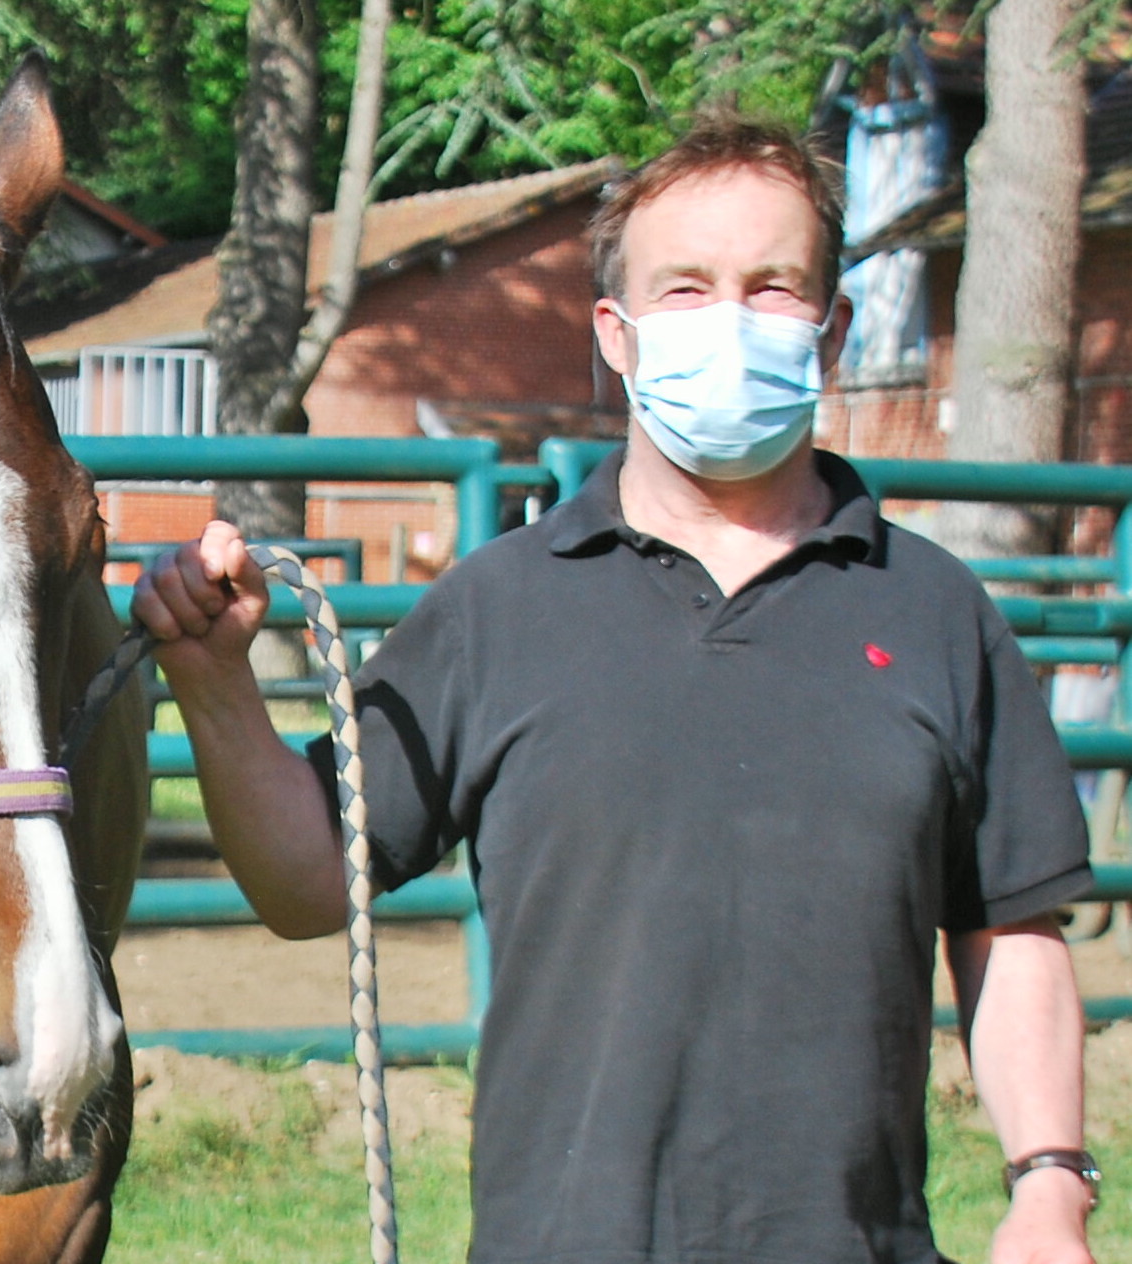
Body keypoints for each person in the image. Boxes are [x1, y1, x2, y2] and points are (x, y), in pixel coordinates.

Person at [132, 115, 1098, 1264]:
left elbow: (1011, 935)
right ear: (618, 333)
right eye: (684, 288)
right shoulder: (498, 610)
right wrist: (215, 683)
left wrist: (1048, 1188)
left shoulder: (936, 613)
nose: (729, 321)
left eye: (772, 287)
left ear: (831, 332)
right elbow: (305, 883)